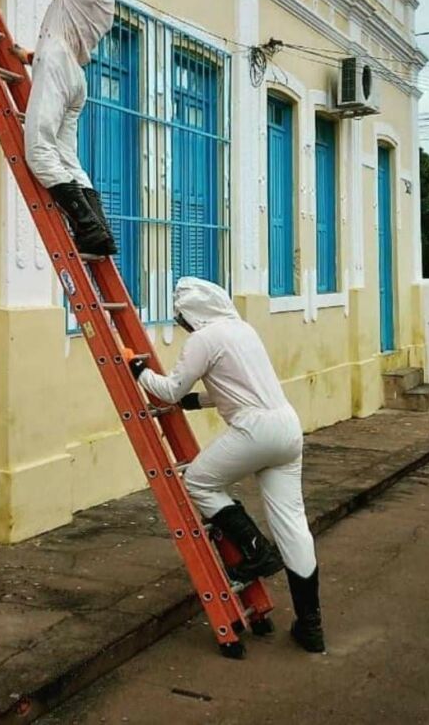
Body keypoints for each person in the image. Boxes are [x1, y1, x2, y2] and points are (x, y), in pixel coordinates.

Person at [129, 277, 325, 653]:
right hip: (286, 428)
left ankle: (256, 551)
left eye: (182, 318)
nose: (183, 325)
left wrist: (138, 371)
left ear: (194, 313)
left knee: (198, 483)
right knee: (293, 525)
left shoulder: (203, 339)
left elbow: (169, 389)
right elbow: (239, 384)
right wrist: (197, 403)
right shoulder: (243, 329)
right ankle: (311, 626)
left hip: (254, 430)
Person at [1, 0, 139, 257]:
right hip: (75, 75)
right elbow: (74, 39)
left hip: (61, 67)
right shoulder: (108, 2)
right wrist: (31, 56)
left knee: (39, 150)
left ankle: (88, 229)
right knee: (67, 157)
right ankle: (100, 234)